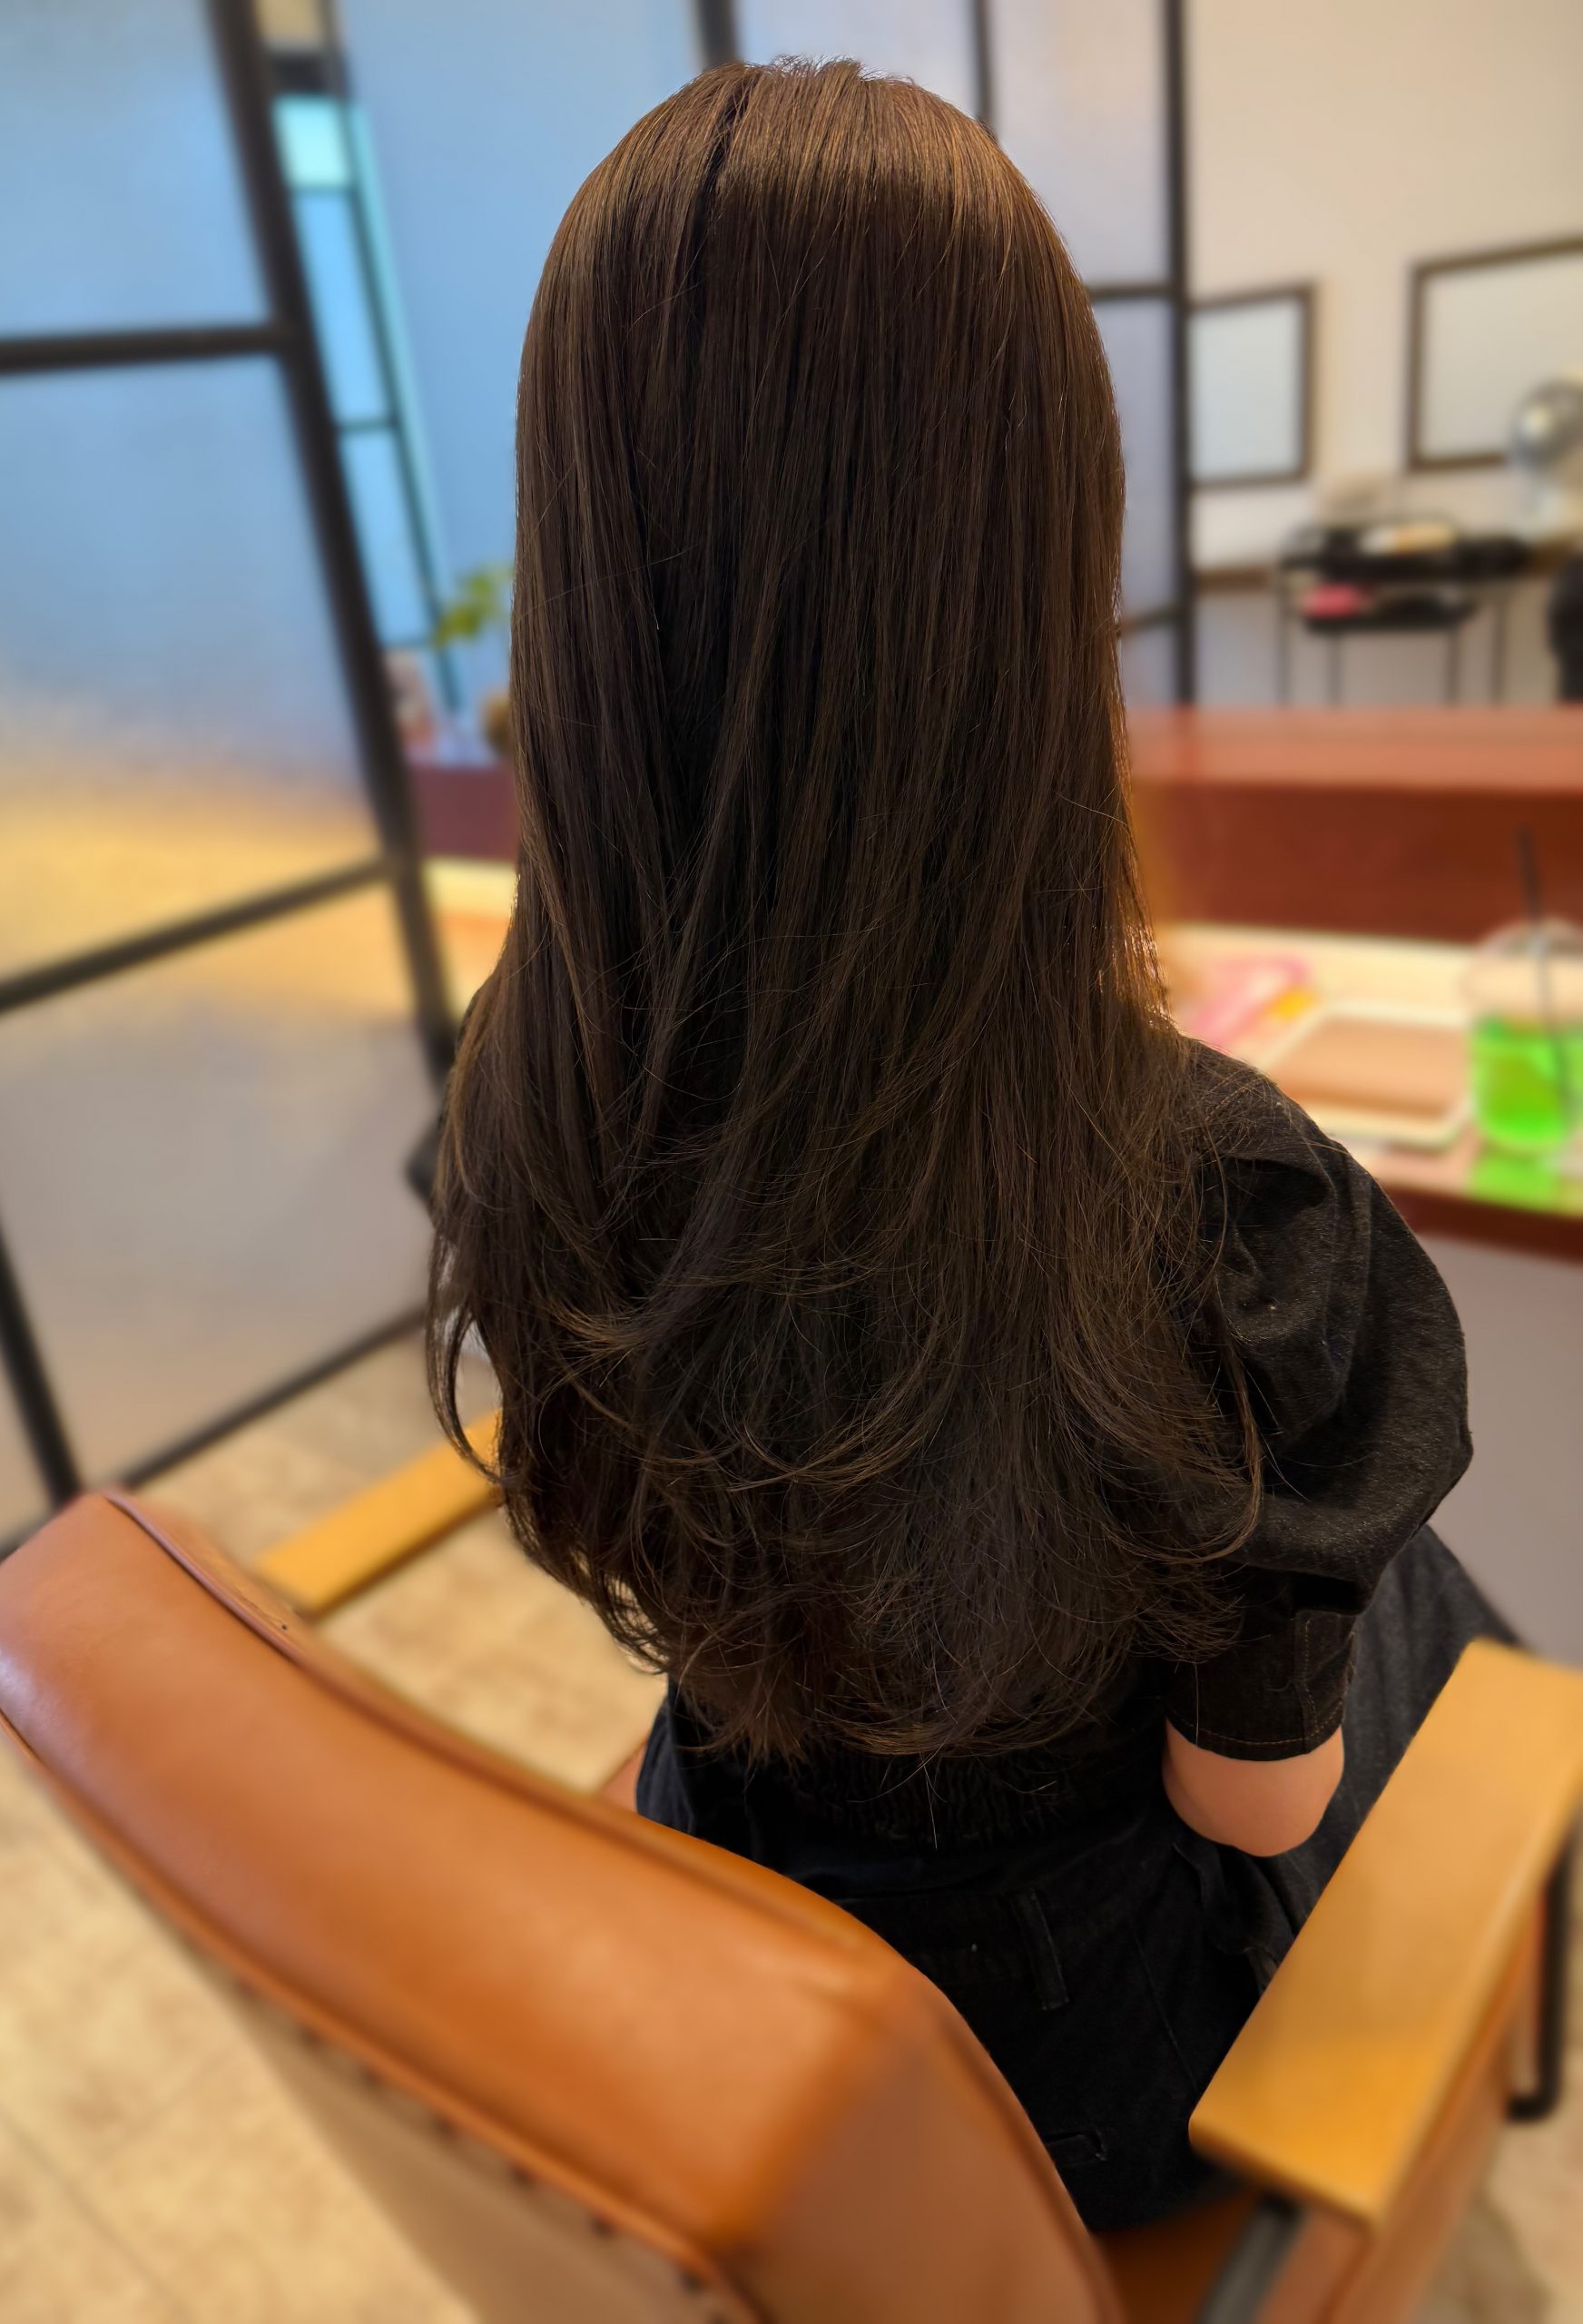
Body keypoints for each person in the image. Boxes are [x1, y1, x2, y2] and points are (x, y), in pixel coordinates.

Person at [422, 59, 1502, 2232]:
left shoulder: (525, 1103)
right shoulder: (1213, 1202)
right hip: (1066, 2083)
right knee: (1467, 1630)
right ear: (1031, 597)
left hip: (748, 1922)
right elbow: (1255, 1802)